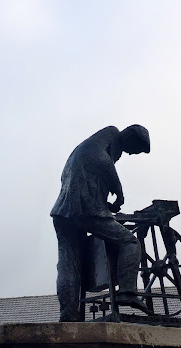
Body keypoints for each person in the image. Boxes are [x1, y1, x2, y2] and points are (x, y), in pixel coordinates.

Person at [51, 125, 150, 322]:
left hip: (63, 211)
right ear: (129, 136)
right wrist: (118, 191)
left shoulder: (89, 146)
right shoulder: (110, 136)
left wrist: (102, 200)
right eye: (135, 149)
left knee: (68, 262)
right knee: (130, 242)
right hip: (86, 209)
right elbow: (100, 160)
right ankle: (127, 292)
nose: (131, 154)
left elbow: (83, 172)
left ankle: (69, 315)